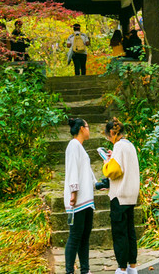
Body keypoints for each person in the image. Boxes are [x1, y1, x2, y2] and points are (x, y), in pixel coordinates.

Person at [102, 118, 140, 274]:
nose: (109, 140)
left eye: (108, 137)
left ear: (112, 133)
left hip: (120, 196)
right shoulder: (130, 145)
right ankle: (132, 266)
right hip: (131, 195)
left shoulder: (118, 146)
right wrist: (113, 157)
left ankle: (122, 268)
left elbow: (113, 171)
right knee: (130, 232)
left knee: (119, 233)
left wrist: (106, 161)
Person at [64, 117, 96, 274]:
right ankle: (69, 271)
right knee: (75, 236)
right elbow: (72, 170)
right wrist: (73, 192)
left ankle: (85, 270)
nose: (89, 130)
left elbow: (86, 172)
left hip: (87, 199)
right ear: (82, 129)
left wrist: (97, 184)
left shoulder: (80, 148)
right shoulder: (73, 145)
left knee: (84, 236)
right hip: (77, 200)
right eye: (88, 127)